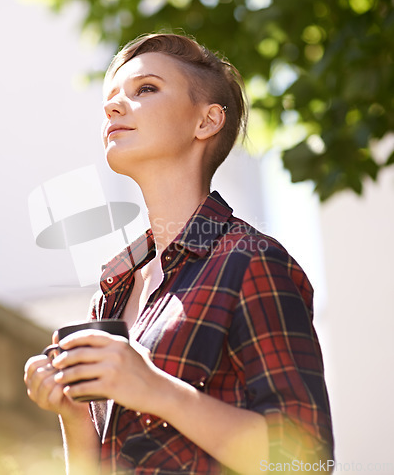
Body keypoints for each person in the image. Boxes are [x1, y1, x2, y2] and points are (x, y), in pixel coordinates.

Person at [24, 33, 334, 474]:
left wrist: (155, 390)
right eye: (111, 98)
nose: (112, 107)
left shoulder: (251, 261)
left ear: (207, 121)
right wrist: (73, 414)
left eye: (145, 89)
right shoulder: (114, 288)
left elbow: (310, 462)